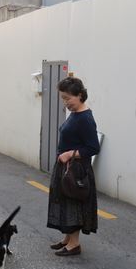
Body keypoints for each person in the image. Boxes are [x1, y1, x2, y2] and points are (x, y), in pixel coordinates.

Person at [47, 77, 100, 256]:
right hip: (67, 166)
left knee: (73, 204)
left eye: (68, 98)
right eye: (63, 98)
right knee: (65, 202)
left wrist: (70, 154)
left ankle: (74, 244)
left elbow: (93, 147)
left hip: (76, 170)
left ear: (80, 95)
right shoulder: (76, 114)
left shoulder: (85, 118)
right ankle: (68, 239)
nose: (65, 102)